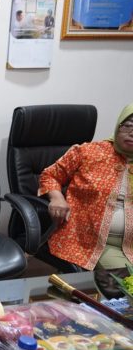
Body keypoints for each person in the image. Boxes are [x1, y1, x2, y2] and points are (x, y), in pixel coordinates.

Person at [39, 102, 133, 270]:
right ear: (118, 127)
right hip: (96, 241)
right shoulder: (89, 152)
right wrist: (57, 198)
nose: (132, 133)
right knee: (128, 280)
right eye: (128, 126)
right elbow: (50, 175)